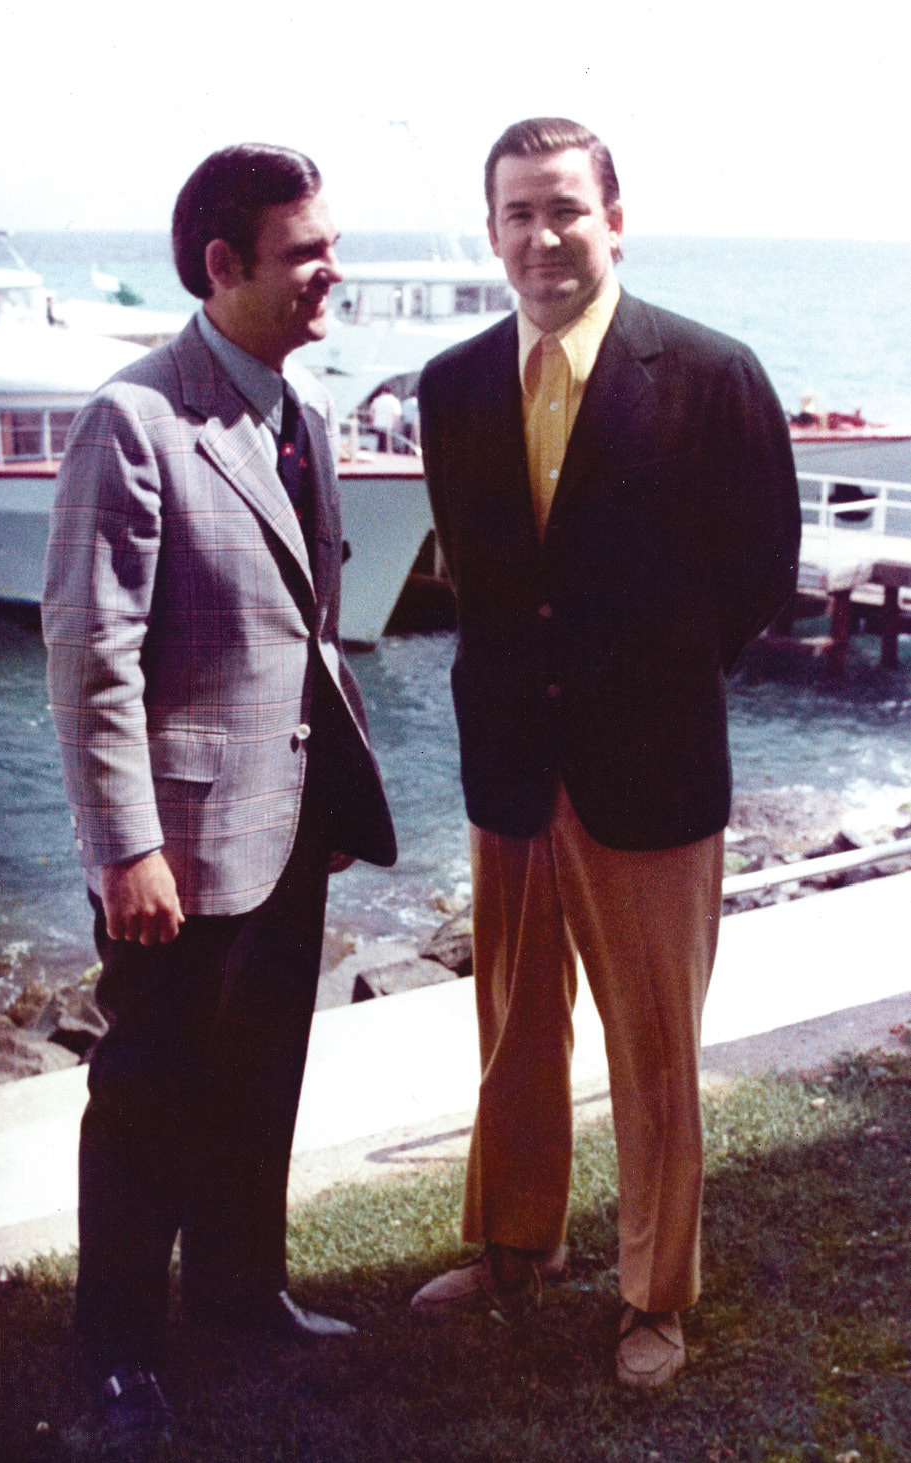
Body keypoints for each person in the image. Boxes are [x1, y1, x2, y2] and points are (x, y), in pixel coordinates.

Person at [410, 118, 800, 1390]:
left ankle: (654, 1294)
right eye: (517, 213)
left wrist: (650, 681)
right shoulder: (451, 384)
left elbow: (758, 574)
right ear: (491, 232)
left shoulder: (709, 373)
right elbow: (475, 575)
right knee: (515, 1023)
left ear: (613, 219)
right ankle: (517, 1244)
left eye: (564, 209)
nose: (542, 237)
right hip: (510, 766)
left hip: (650, 767)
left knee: (653, 1047)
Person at [43, 143, 396, 1449]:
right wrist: (127, 845)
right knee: (148, 1097)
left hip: (288, 820)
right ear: (221, 265)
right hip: (182, 848)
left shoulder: (300, 415)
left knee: (261, 1075)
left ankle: (244, 1292)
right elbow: (91, 657)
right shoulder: (134, 420)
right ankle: (118, 1355)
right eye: (306, 251)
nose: (331, 273)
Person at [369, 386, 402, 450]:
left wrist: (372, 421)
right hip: (389, 425)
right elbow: (397, 415)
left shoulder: (377, 399)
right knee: (388, 444)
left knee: (379, 443)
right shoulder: (394, 401)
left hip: (378, 424)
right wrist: (396, 425)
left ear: (383, 392)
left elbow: (371, 411)